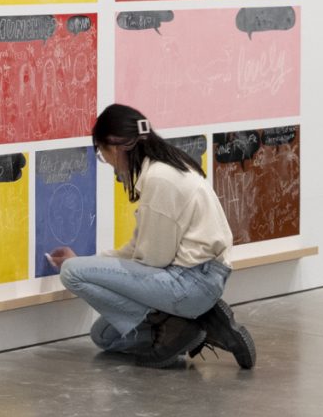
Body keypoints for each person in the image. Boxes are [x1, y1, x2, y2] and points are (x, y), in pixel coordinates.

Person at [45, 104, 256, 370]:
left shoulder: (160, 180)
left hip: (190, 282)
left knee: (72, 273)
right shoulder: (164, 168)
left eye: (101, 153)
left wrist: (80, 266)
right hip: (197, 277)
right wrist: (90, 261)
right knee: (104, 336)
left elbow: (153, 259)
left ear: (116, 146)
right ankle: (192, 329)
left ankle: (177, 325)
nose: (106, 162)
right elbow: (138, 249)